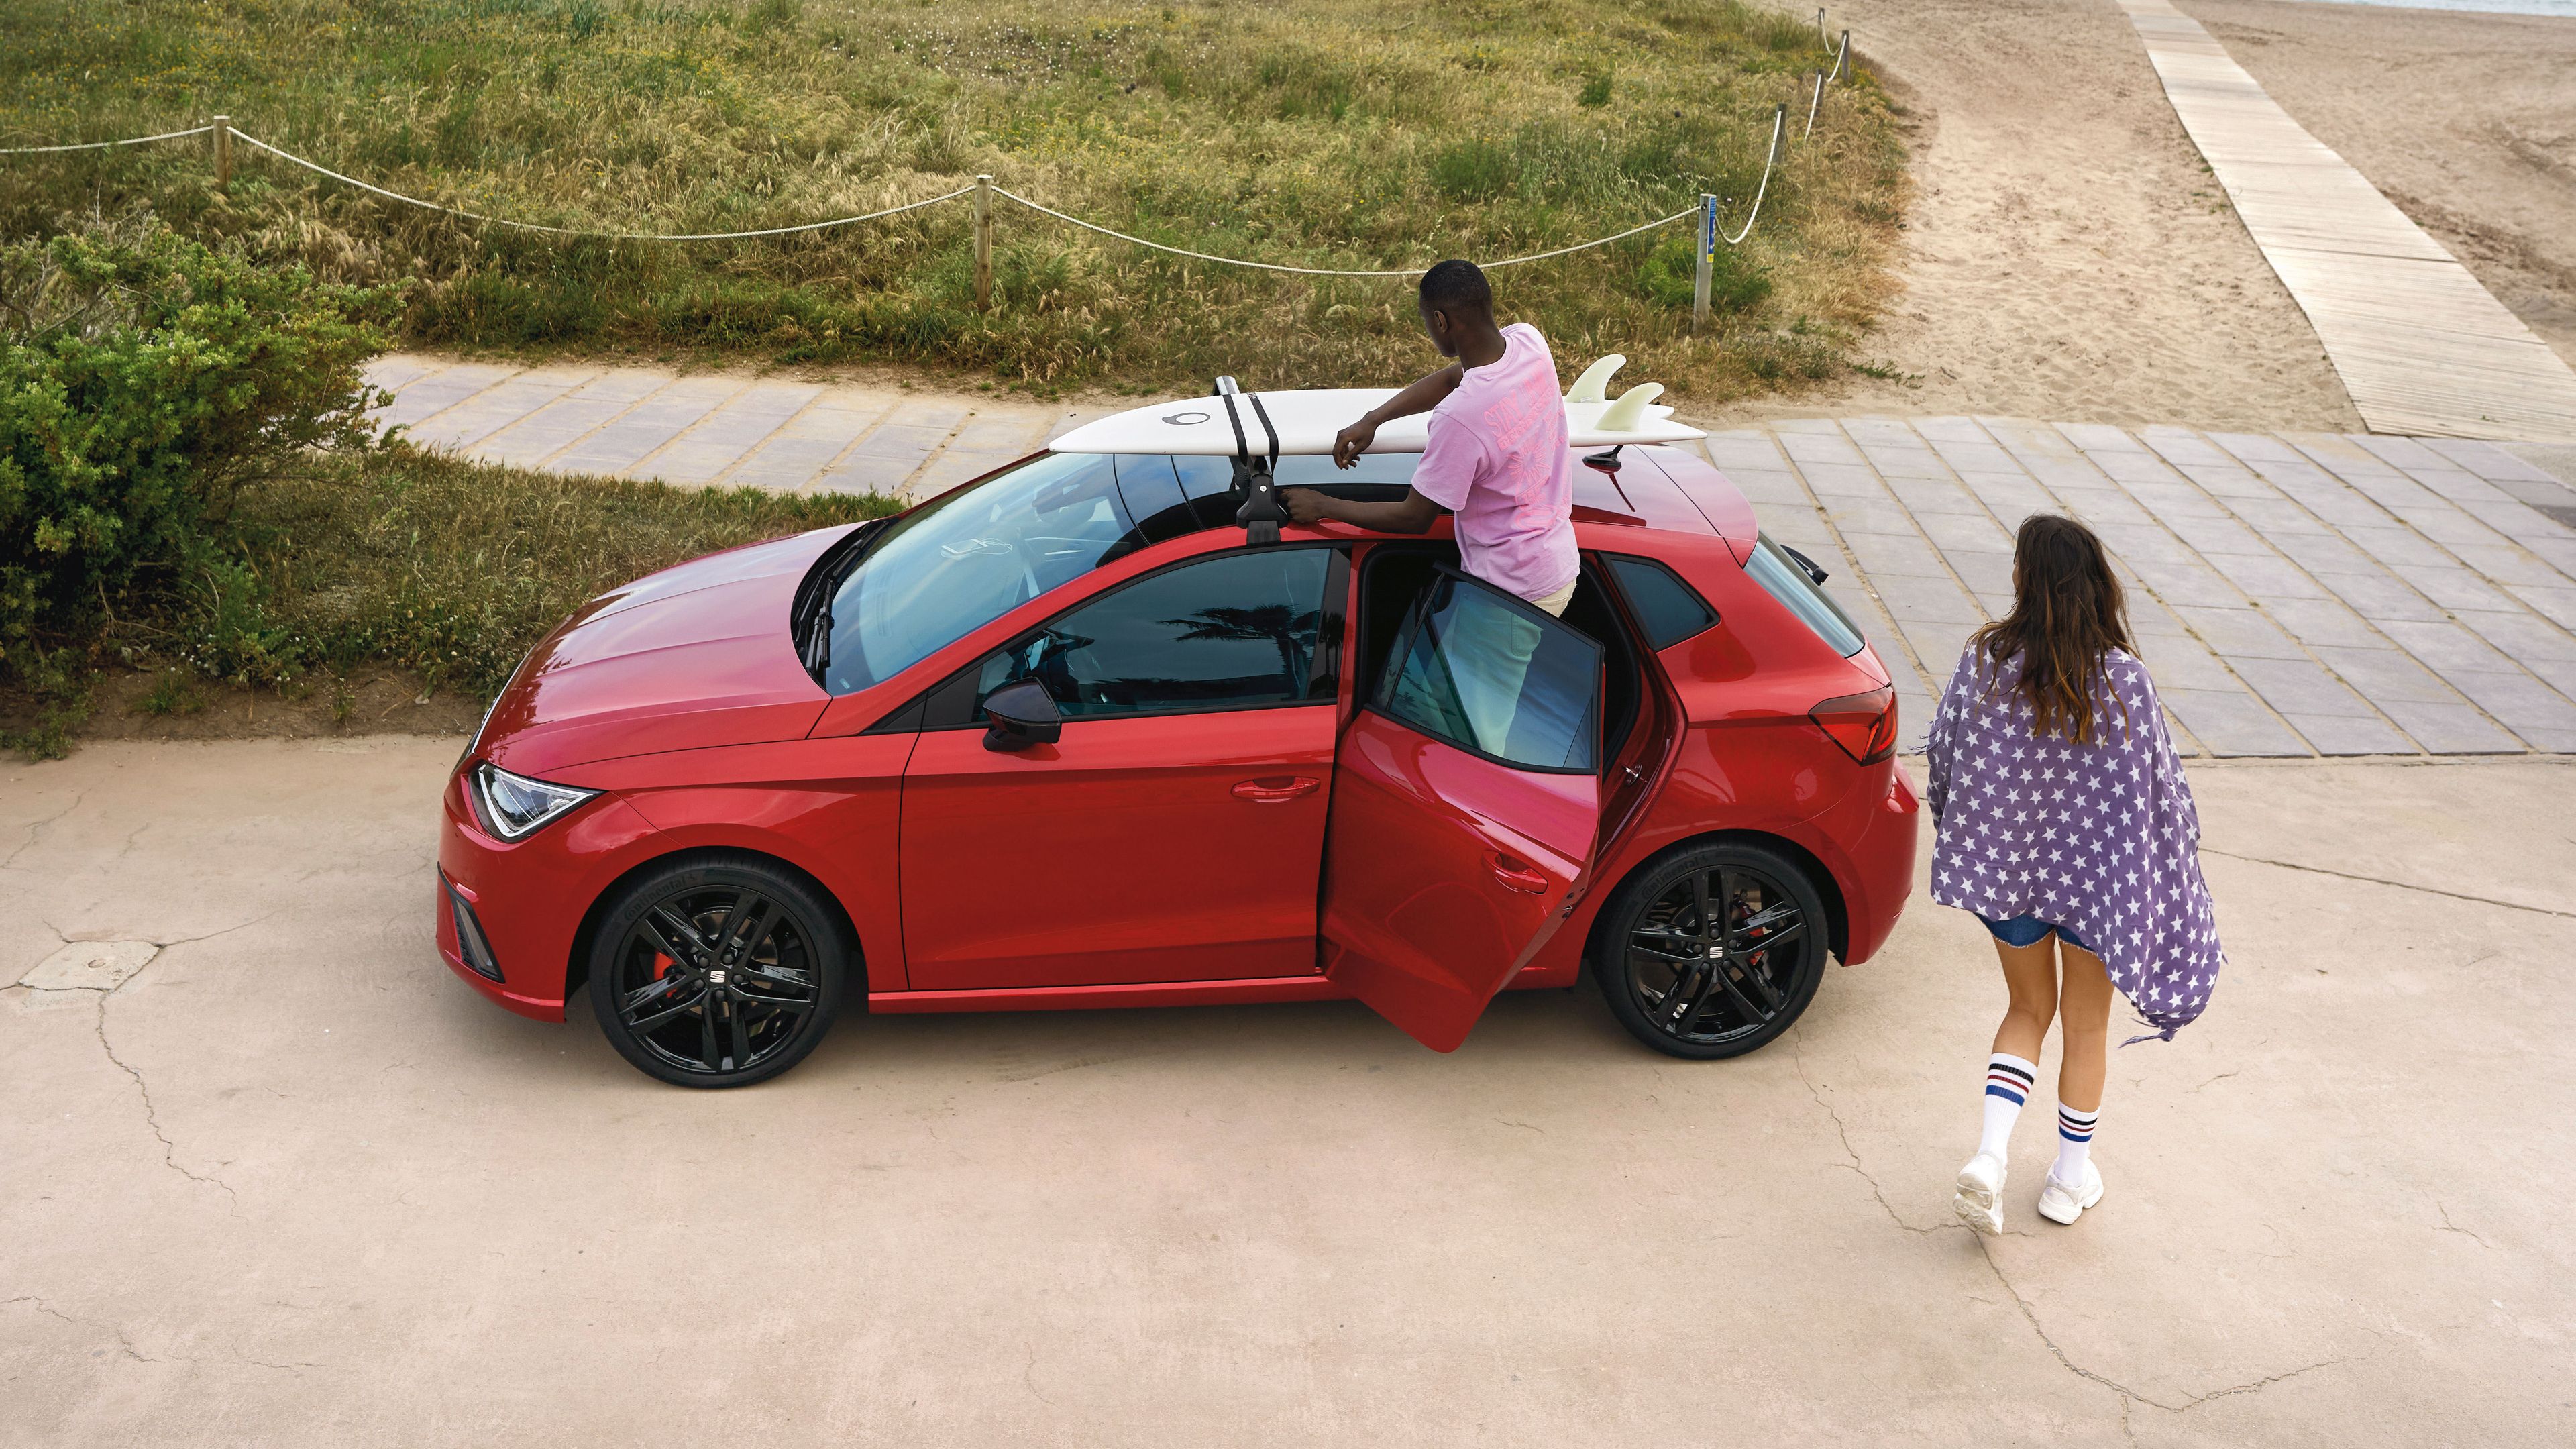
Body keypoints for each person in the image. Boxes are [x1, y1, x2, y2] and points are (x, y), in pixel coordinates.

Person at [1924, 514, 2225, 1236]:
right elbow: (2163, 788)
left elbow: (1944, 749)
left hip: (2009, 878)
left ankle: (1991, 1157)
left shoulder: (1987, 658)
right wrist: (2174, 863)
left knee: (2027, 1010)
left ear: (2026, 579)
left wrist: (1963, 830)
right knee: (2086, 1029)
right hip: (2099, 889)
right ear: (2095, 583)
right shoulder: (2125, 679)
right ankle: (2067, 1179)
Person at [1281, 259, 1577, 619]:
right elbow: (1456, 377)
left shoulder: (1460, 417)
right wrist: (1374, 419)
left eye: (1426, 321)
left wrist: (1322, 505)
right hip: (1555, 559)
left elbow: (1414, 518)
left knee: (1456, 678)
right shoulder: (1529, 342)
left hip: (1511, 593)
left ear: (1440, 321)